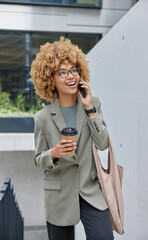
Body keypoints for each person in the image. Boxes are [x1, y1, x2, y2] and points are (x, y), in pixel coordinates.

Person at [30, 37, 114, 240]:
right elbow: (38, 159)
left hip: (90, 191)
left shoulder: (93, 103)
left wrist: (89, 109)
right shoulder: (42, 118)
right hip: (59, 196)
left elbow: (103, 144)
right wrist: (54, 153)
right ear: (50, 78)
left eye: (74, 70)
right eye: (63, 72)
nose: (71, 76)